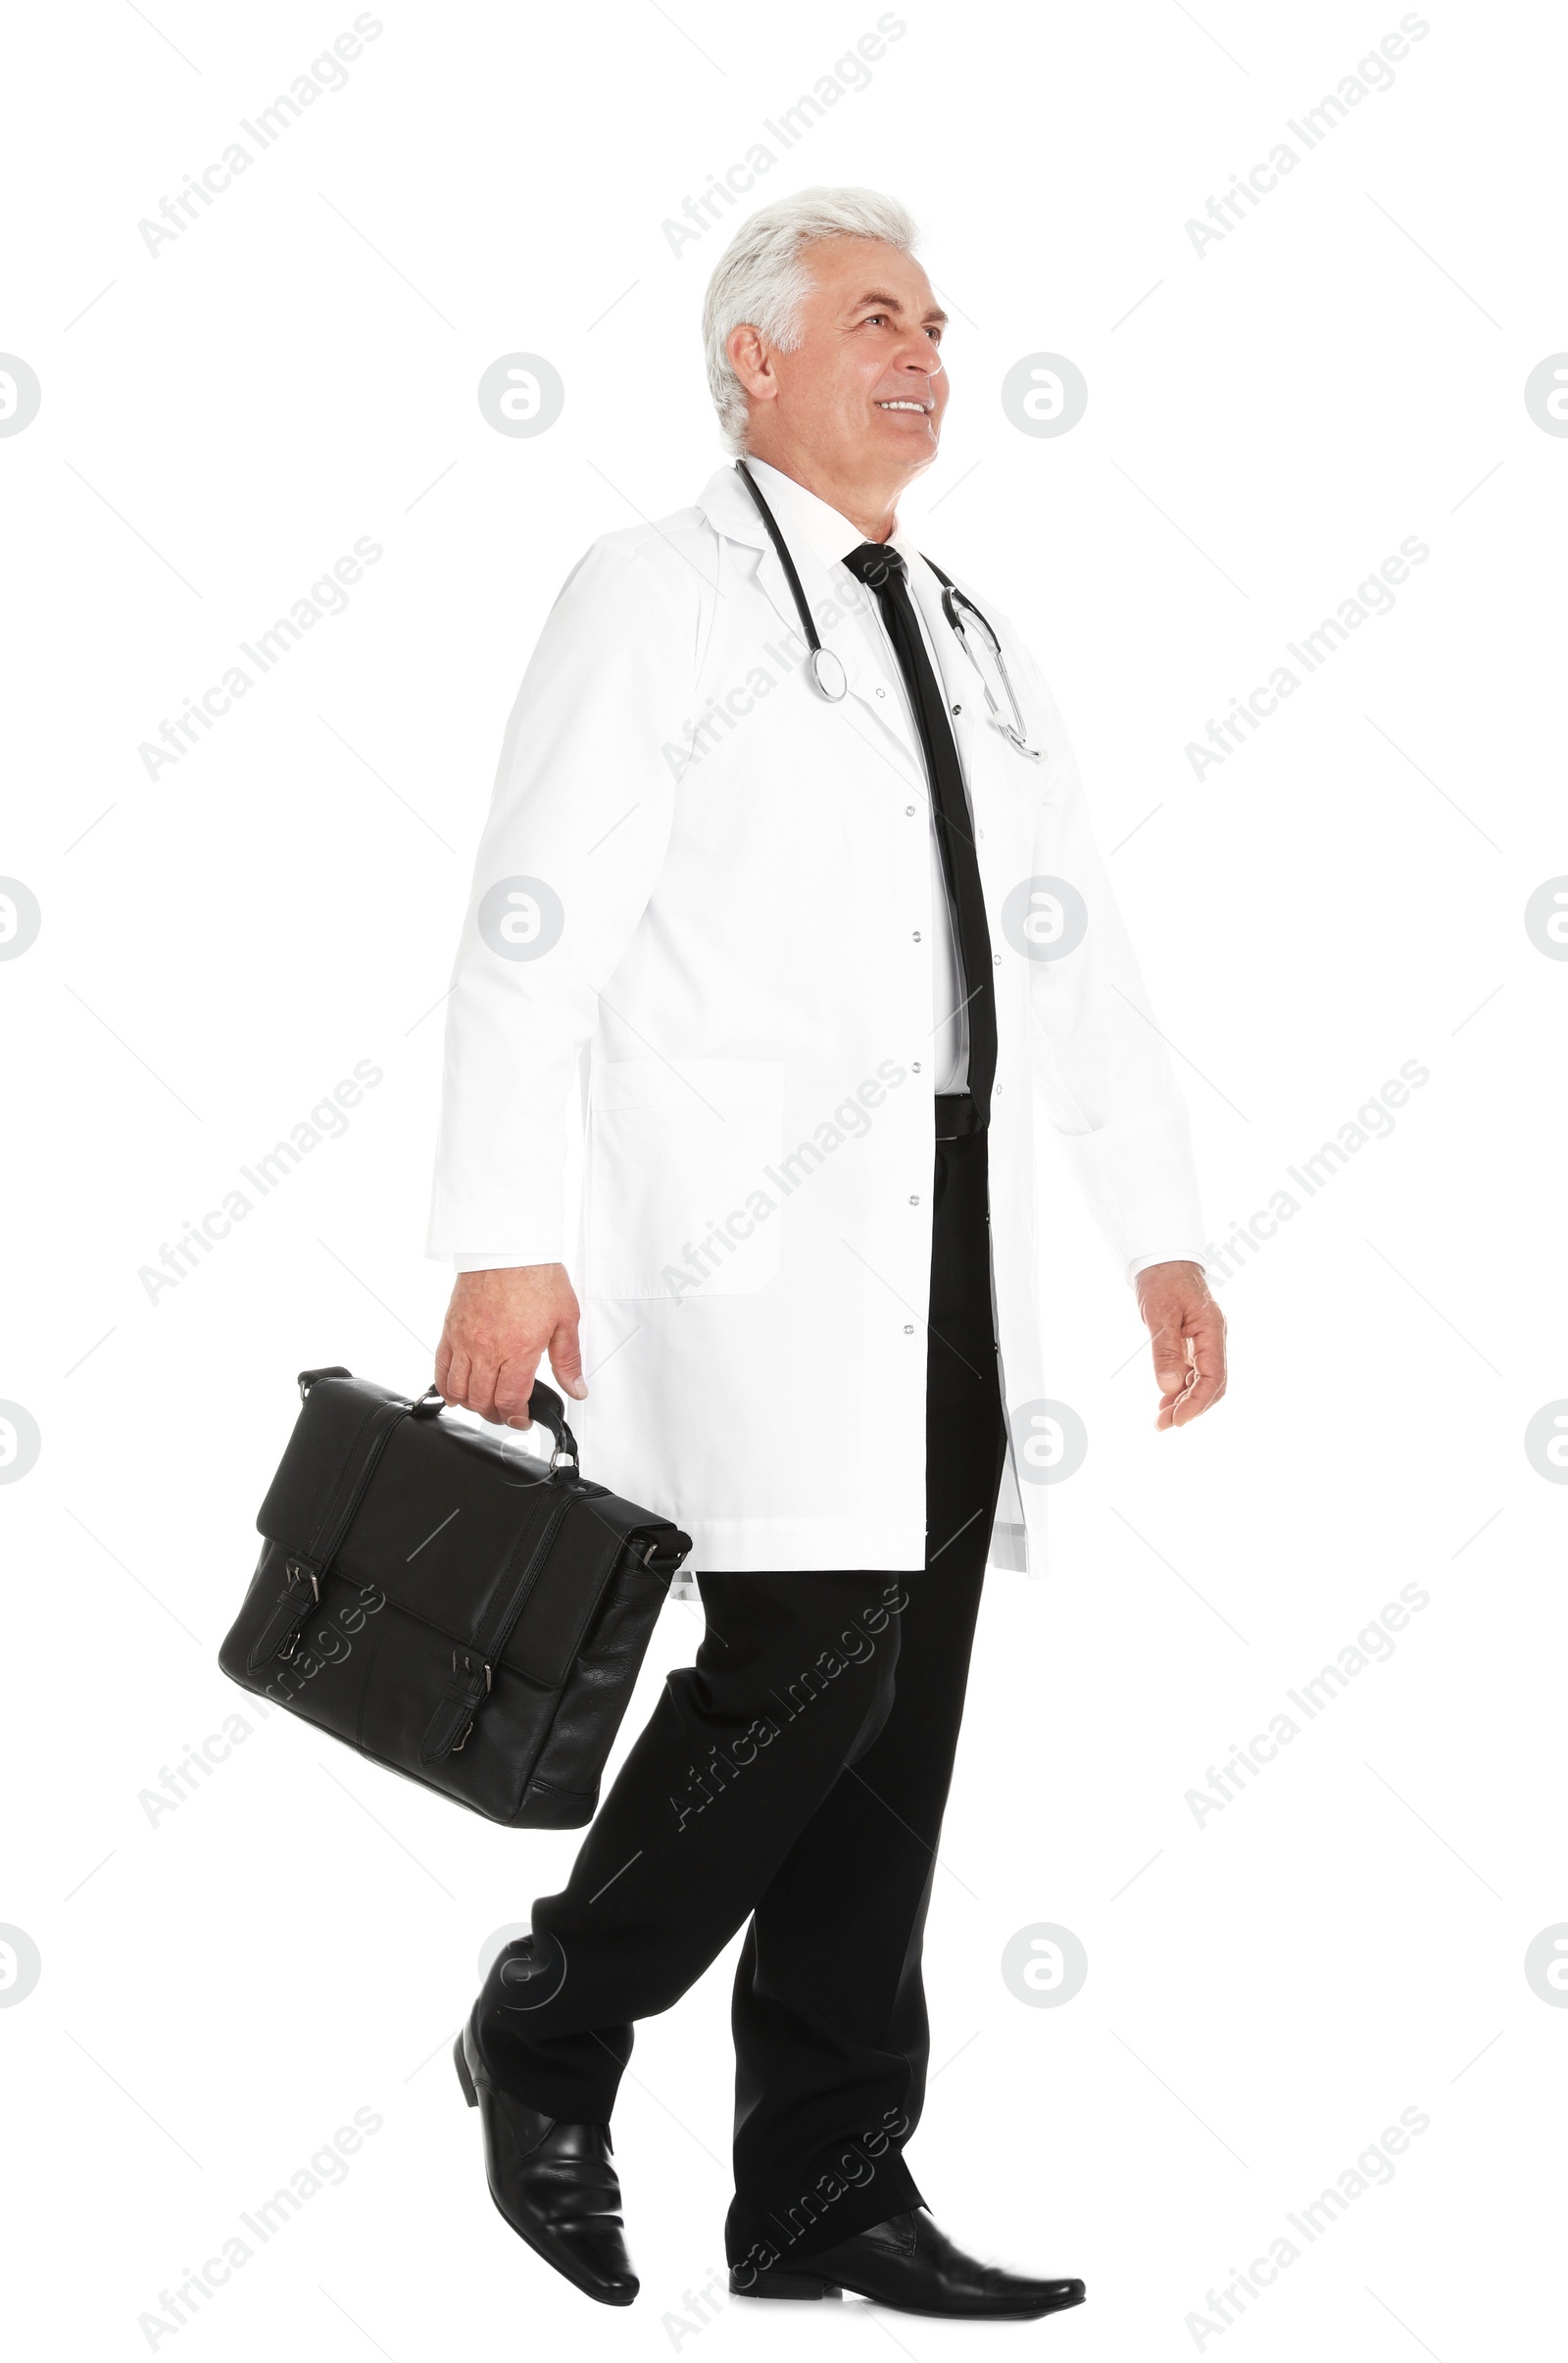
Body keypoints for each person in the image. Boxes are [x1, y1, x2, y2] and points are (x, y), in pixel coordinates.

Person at [426, 186, 1226, 2319]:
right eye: (878, 318)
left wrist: (1157, 1230)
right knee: (810, 1663)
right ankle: (552, 2021)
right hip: (747, 1240)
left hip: (953, 1230)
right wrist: (500, 1245)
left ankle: (821, 2189)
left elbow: (1074, 952)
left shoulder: (964, 629)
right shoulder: (652, 596)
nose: (927, 355)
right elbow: (528, 943)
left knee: (900, 1711)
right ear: (750, 361)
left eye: (942, 326)